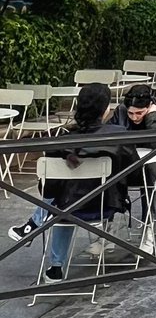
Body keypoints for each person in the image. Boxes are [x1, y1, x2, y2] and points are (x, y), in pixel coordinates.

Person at [8, 83, 137, 282]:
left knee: (61, 201)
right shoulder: (118, 134)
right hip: (105, 205)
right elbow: (134, 172)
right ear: (104, 110)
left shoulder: (62, 142)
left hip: (67, 208)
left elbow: (47, 188)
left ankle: (48, 252)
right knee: (64, 202)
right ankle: (36, 228)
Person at [108, 84, 156, 253]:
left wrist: (151, 118)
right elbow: (112, 137)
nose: (134, 117)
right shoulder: (122, 111)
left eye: (139, 113)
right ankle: (107, 230)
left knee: (152, 168)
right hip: (129, 167)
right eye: (131, 113)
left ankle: (149, 229)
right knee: (108, 168)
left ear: (149, 106)